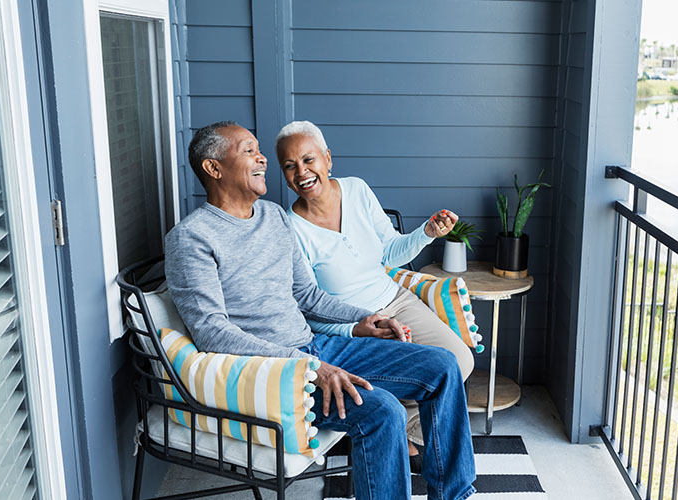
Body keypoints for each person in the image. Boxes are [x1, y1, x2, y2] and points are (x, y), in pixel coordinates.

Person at [164, 121, 476, 500]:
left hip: (316, 349)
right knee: (384, 412)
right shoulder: (191, 238)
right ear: (214, 169)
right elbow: (212, 333)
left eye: (259, 150)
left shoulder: (273, 218)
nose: (263, 157)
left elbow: (308, 295)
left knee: (443, 365)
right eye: (248, 150)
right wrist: (306, 367)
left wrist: (359, 319)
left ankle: (455, 495)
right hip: (277, 373)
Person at [274, 121, 475, 462]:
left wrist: (425, 233)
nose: (302, 172)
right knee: (417, 376)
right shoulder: (289, 227)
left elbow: (389, 253)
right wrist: (358, 326)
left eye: (309, 160)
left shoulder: (357, 190)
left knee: (460, 361)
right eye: (290, 166)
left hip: (394, 299)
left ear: (328, 158)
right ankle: (397, 435)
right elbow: (307, 307)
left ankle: (402, 428)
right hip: (351, 329)